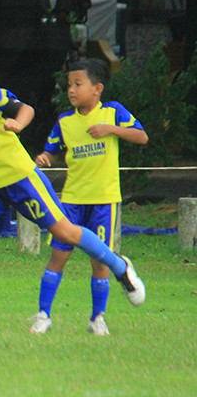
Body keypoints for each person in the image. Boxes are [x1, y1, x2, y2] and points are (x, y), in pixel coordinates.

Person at [0, 22, 145, 362]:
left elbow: (24, 109)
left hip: (19, 177)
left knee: (65, 232)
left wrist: (17, 124)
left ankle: (119, 267)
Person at [31, 59, 148, 336]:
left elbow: (142, 136)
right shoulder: (65, 121)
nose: (71, 90)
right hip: (71, 200)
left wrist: (111, 129)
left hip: (104, 199)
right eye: (69, 85)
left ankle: (97, 318)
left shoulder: (113, 112)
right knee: (58, 257)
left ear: (97, 89)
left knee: (100, 261)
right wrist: (45, 156)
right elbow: (52, 149)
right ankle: (43, 315)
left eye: (77, 84)